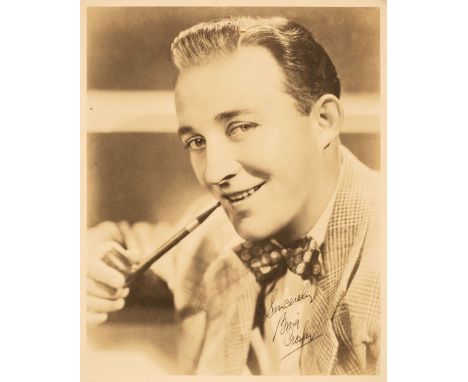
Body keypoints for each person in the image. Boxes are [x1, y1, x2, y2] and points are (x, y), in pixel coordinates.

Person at [86, 16, 382, 375]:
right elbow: (127, 242)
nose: (213, 173)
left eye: (241, 127)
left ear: (324, 121)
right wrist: (90, 260)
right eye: (196, 142)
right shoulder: (215, 236)